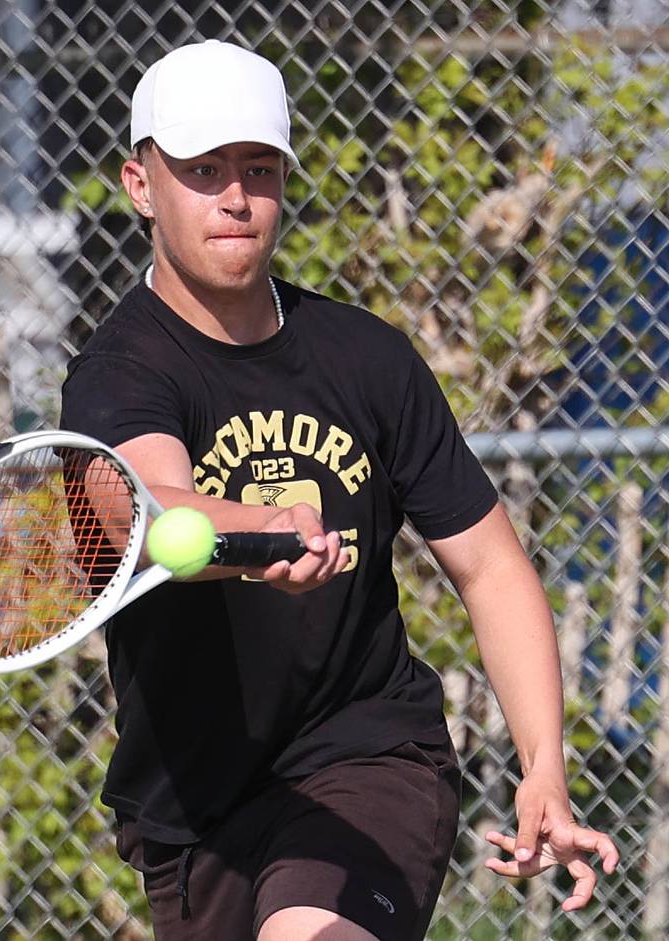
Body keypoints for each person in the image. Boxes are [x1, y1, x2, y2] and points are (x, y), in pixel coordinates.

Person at [60, 39, 619, 941]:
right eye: (202, 170)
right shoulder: (120, 370)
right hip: (194, 813)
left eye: (258, 168)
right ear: (139, 184)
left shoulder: (367, 358)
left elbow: (489, 565)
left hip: (369, 759)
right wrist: (264, 529)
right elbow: (147, 502)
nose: (235, 197)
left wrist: (543, 767)